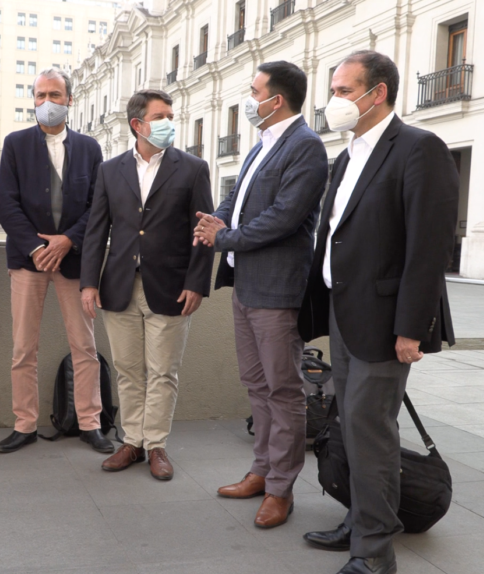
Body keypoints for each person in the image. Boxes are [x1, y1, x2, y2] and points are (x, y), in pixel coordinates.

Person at [297, 50, 458, 574]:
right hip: (345, 313)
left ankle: (373, 555)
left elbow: (429, 248)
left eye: (344, 91)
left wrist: (411, 328)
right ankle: (362, 520)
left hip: (386, 323)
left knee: (370, 433)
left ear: (377, 93)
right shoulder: (348, 156)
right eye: (334, 91)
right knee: (354, 428)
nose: (334, 101)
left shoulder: (419, 148)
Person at [194, 61, 328, 528]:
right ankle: (262, 470)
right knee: (256, 384)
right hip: (246, 283)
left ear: (277, 99)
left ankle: (280, 489)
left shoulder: (305, 146)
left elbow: (284, 217)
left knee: (282, 389)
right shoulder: (262, 143)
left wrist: (224, 238)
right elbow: (238, 201)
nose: (249, 100)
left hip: (277, 288)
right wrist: (214, 220)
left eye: (254, 92)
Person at [81, 89, 214, 481]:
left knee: (162, 371)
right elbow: (96, 230)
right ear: (137, 124)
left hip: (171, 287)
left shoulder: (193, 168)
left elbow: (203, 230)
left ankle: (156, 445)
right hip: (118, 286)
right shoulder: (110, 170)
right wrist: (89, 283)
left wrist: (197, 283)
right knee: (127, 369)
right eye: (160, 116)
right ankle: (132, 442)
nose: (169, 122)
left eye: (171, 115)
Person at [0, 68, 111, 454]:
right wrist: (36, 247)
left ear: (70, 100)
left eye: (55, 95)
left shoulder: (90, 148)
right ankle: (24, 425)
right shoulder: (15, 144)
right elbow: (5, 204)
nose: (47, 102)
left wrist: (67, 240)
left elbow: (98, 206)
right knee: (23, 348)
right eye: (41, 95)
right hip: (28, 261)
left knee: (85, 345)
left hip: (74, 261)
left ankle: (90, 423)